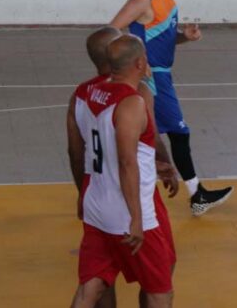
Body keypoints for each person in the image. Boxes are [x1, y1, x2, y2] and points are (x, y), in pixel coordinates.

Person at [110, 0, 234, 216]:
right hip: (151, 75)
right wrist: (135, 62)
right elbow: (110, 30)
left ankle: (191, 192)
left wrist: (183, 37)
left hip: (162, 72)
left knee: (155, 134)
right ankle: (195, 194)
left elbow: (160, 35)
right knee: (176, 132)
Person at [66, 27, 180, 308]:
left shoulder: (81, 94)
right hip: (130, 205)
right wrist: (136, 218)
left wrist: (83, 195)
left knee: (90, 286)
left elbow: (81, 152)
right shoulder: (133, 99)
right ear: (138, 62)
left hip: (96, 200)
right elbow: (127, 162)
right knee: (159, 286)